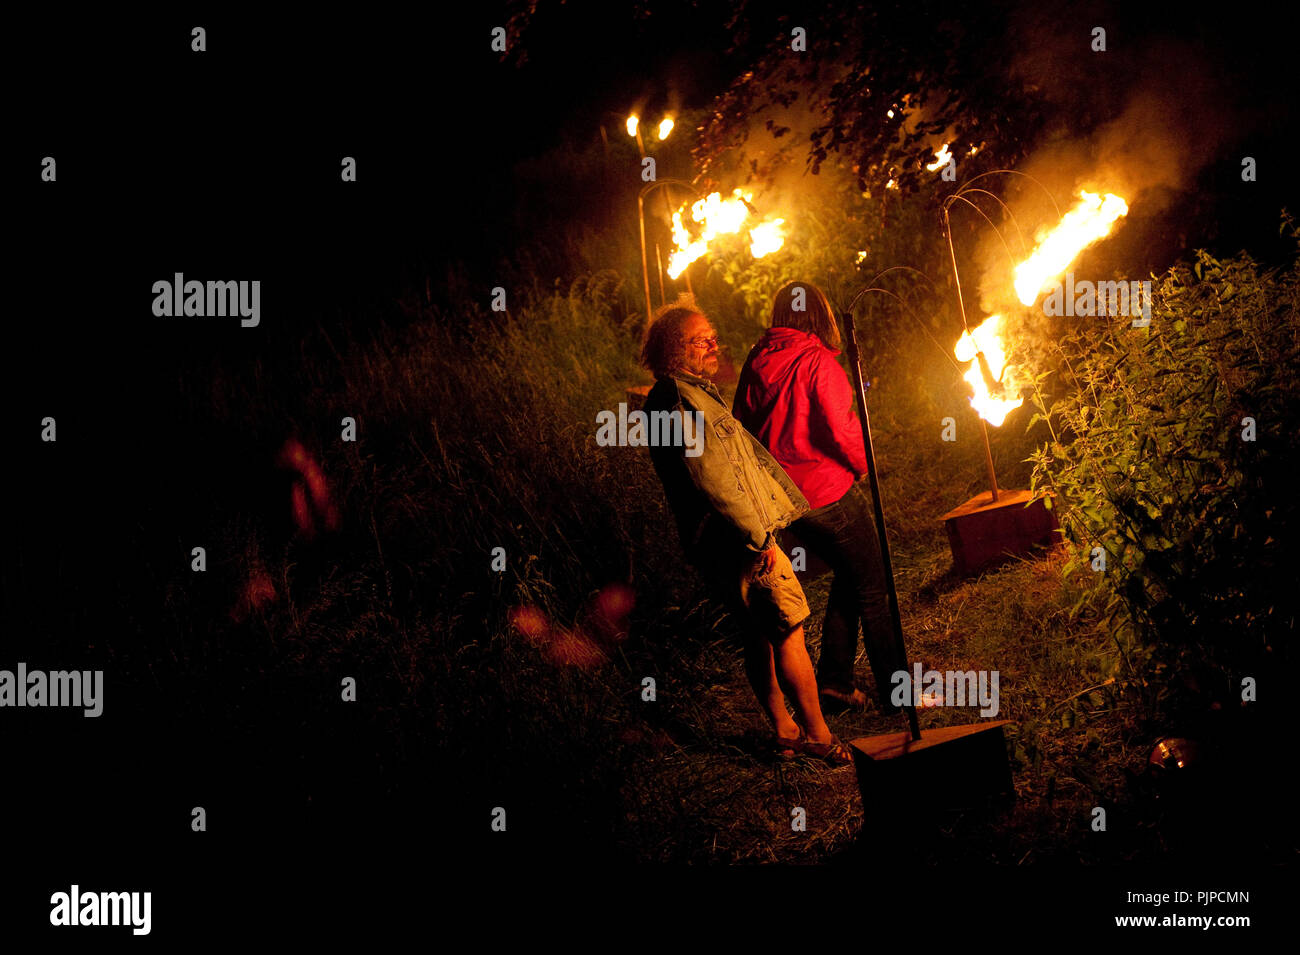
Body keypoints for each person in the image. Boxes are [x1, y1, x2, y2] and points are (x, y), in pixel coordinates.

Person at [640, 294, 852, 766]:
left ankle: (784, 731)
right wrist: (761, 540)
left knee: (756, 634)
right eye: (702, 341)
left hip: (714, 542)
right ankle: (818, 735)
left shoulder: (679, 397)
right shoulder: (680, 403)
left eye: (714, 337)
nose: (714, 346)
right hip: (738, 541)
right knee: (789, 630)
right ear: (676, 350)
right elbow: (713, 481)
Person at [733, 281, 904, 713]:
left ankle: (835, 681)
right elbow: (840, 427)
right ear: (819, 316)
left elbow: (741, 427)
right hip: (825, 493)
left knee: (851, 571)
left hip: (782, 500)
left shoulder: (756, 359)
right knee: (872, 584)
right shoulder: (817, 361)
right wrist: (866, 464)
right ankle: (898, 691)